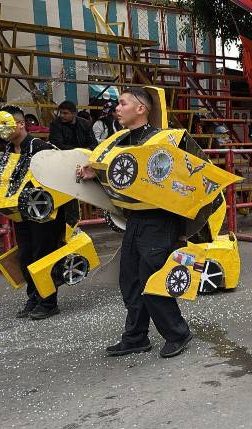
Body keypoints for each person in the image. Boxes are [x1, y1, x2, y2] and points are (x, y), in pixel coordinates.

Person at [76, 87, 193, 358]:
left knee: (151, 278)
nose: (117, 108)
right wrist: (93, 172)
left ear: (141, 109)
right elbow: (118, 173)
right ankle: (136, 337)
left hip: (160, 218)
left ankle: (178, 333)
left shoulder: (165, 139)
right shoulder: (118, 141)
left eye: (122, 103)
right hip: (135, 217)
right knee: (129, 280)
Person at [0, 105, 70, 320]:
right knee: (26, 254)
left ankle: (48, 301)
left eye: (5, 125)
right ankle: (34, 296)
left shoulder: (40, 147)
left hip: (44, 213)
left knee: (42, 255)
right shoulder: (8, 151)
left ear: (20, 124)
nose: (1, 130)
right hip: (21, 212)